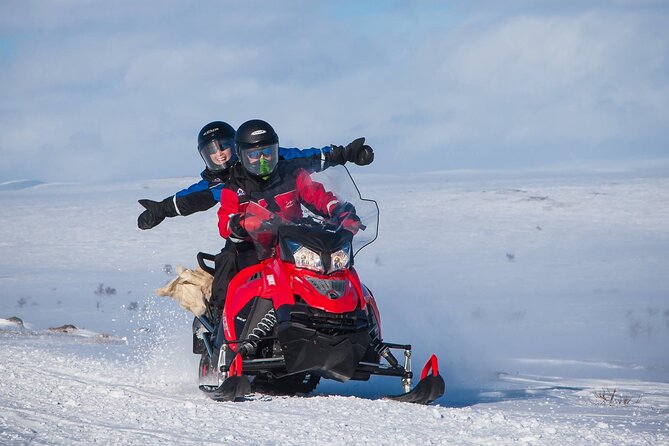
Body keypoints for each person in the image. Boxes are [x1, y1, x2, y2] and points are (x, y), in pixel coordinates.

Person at [214, 119, 365, 321]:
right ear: (242, 156)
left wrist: (341, 211)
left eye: (267, 153)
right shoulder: (234, 186)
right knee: (231, 261)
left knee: (335, 265)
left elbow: (318, 196)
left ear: (276, 150)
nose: (262, 160)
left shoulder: (291, 174)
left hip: (295, 241)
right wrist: (239, 223)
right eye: (254, 155)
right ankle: (221, 319)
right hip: (254, 247)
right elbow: (225, 221)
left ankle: (358, 317)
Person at [136, 121, 374, 230]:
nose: (219, 155)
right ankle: (223, 322)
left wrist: (345, 154)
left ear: (237, 146)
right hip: (253, 239)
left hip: (293, 231)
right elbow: (188, 199)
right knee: (228, 267)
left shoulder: (269, 160)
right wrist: (162, 209)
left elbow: (308, 158)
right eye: (211, 151)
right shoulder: (219, 185)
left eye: (224, 146)